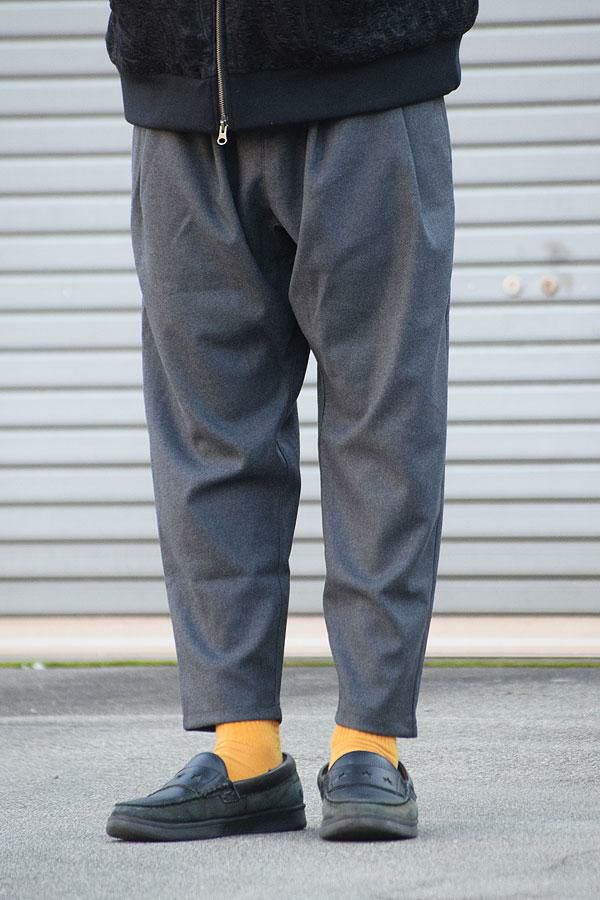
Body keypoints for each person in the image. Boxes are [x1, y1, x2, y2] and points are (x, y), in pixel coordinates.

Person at [103, 0, 479, 842]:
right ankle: (244, 753)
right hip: (177, 94)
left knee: (383, 424)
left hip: (368, 83)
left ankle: (369, 745)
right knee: (209, 437)